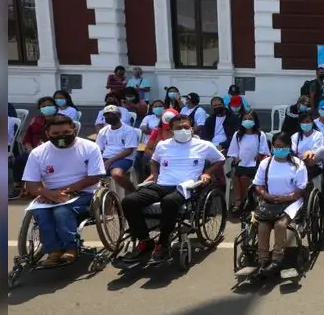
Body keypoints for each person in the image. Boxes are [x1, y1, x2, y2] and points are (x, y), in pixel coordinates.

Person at [120, 115, 226, 263]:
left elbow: (220, 160)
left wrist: (207, 173)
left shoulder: (204, 145)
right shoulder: (163, 145)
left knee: (169, 202)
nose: (183, 130)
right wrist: (154, 174)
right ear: (171, 130)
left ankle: (163, 243)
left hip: (186, 187)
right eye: (179, 128)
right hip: (162, 184)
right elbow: (154, 161)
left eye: (186, 127)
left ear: (191, 128)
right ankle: (145, 240)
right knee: (129, 201)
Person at [21, 115, 106, 265]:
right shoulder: (38, 153)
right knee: (41, 212)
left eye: (66, 132)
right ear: (47, 134)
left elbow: (94, 178)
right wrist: (48, 193)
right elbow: (31, 185)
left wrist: (61, 192)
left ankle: (71, 248)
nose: (61, 136)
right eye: (55, 134)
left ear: (74, 129)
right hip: (50, 194)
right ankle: (53, 250)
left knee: (61, 211)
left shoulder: (90, 147)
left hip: (85, 192)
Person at [250, 133, 308, 277]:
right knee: (263, 226)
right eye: (276, 146)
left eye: (283, 147)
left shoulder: (297, 164)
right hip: (270, 201)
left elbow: (301, 189)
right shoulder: (266, 163)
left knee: (280, 225)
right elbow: (258, 185)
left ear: (289, 147)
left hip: (291, 202)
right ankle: (263, 261)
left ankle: (277, 259)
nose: (279, 149)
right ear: (272, 147)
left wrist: (287, 197)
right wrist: (266, 195)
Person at [227, 109, 270, 213]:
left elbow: (264, 150)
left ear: (255, 120)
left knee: (244, 178)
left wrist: (259, 155)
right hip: (241, 162)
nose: (247, 121)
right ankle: (238, 200)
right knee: (236, 176)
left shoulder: (260, 135)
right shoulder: (238, 134)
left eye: (250, 119)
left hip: (255, 163)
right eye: (245, 119)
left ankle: (245, 199)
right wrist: (235, 158)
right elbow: (233, 150)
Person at [95, 105, 139, 192]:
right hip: (106, 158)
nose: (109, 117)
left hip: (124, 158)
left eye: (112, 114)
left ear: (119, 116)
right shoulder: (103, 131)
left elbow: (128, 150)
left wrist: (110, 160)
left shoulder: (129, 130)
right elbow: (99, 149)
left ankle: (134, 192)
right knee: (88, 172)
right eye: (107, 115)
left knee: (116, 174)